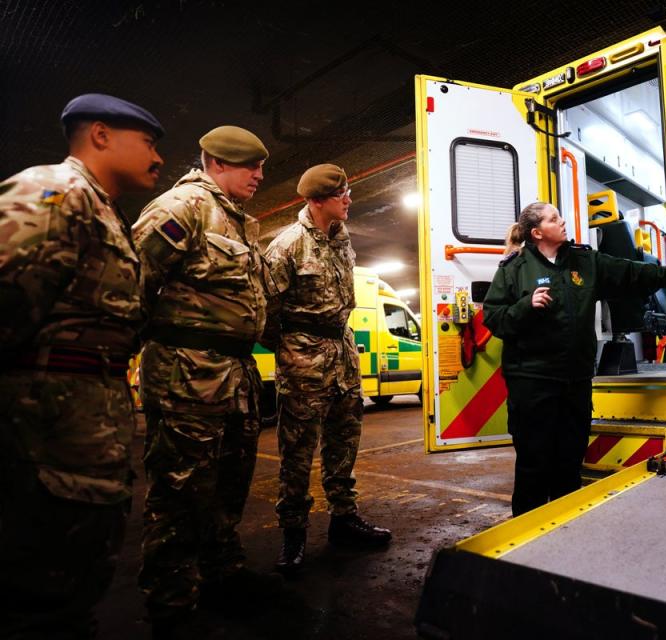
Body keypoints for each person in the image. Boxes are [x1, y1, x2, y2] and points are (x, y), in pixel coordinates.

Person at [0, 94, 164, 638]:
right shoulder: (53, 192)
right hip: (39, 441)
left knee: (71, 592)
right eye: (148, 143)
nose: (158, 158)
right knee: (38, 601)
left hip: (81, 436)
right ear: (100, 135)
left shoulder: (103, 211)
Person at [132, 125, 274, 635]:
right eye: (250, 167)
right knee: (180, 489)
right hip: (186, 373)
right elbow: (133, 287)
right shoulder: (182, 208)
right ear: (217, 163)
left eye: (261, 167)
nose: (260, 175)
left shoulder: (237, 220)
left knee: (229, 481)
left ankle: (222, 574)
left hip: (232, 372)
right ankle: (171, 604)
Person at [483, 202, 666, 516]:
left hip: (575, 382)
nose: (562, 221)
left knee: (569, 461)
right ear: (537, 233)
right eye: (553, 219)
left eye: (559, 216)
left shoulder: (585, 261)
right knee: (534, 464)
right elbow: (494, 320)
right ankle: (526, 532)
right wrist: (526, 305)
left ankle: (566, 523)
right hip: (532, 384)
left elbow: (634, 272)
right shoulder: (514, 270)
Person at [262, 163, 391, 576]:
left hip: (342, 354)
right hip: (304, 361)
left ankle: (343, 520)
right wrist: (296, 348)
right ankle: (294, 534)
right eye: (341, 195)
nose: (349, 200)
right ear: (317, 201)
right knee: (297, 454)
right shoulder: (286, 246)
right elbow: (266, 313)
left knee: (344, 444)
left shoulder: (343, 240)